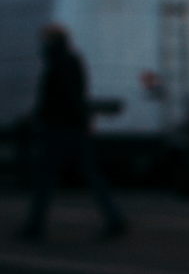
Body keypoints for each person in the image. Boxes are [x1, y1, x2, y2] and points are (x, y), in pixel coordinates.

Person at [17, 24, 127, 240]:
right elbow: (76, 95)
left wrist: (40, 117)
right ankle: (114, 218)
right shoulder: (70, 60)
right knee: (89, 174)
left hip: (60, 128)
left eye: (45, 39)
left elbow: (60, 98)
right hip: (73, 127)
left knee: (46, 177)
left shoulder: (58, 64)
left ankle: (35, 226)